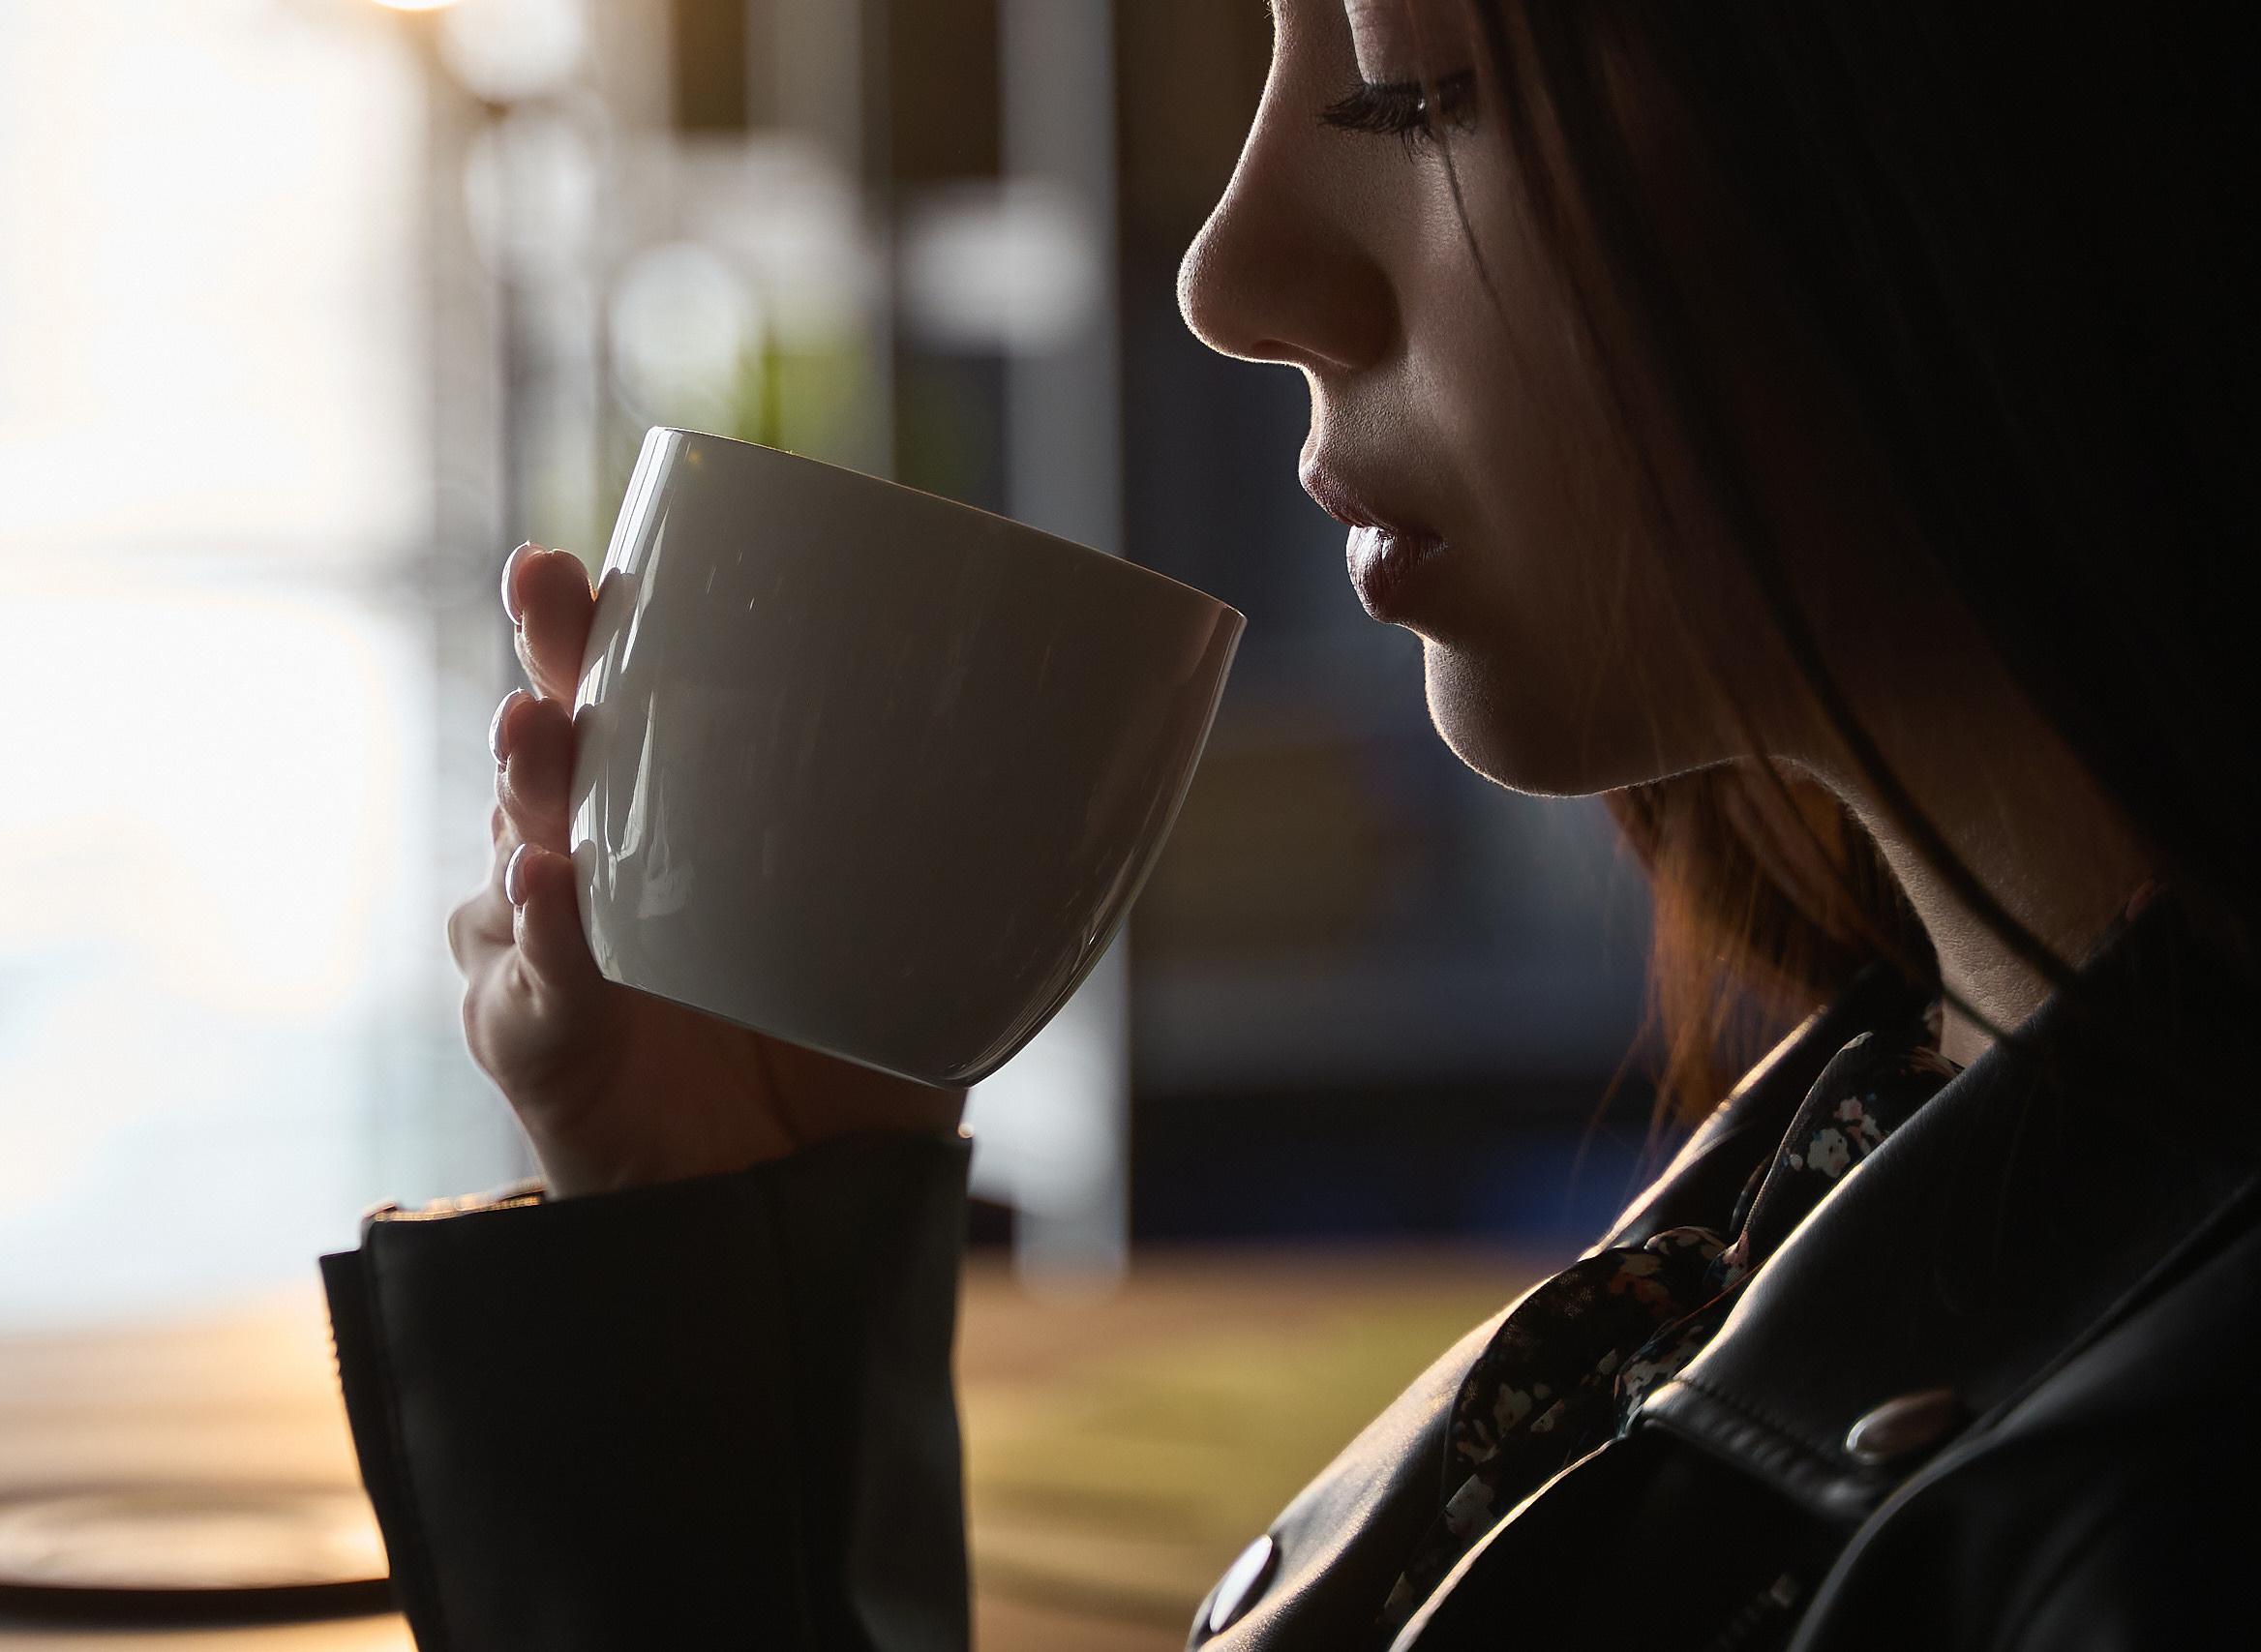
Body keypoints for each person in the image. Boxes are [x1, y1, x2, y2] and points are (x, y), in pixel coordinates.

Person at [320, 1, 2261, 1646]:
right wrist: (727, 1282)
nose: (1229, 274)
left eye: (1399, 85)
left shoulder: (2141, 1522)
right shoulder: (1916, 1116)